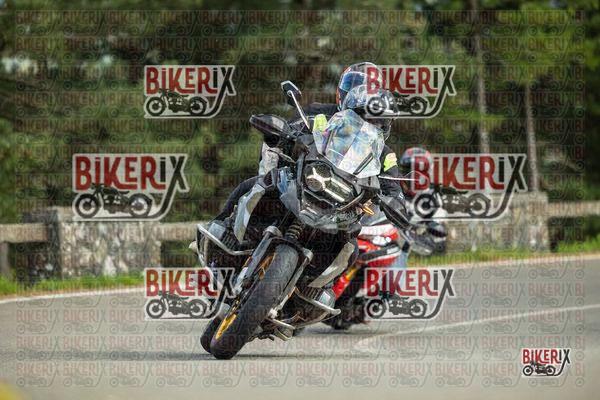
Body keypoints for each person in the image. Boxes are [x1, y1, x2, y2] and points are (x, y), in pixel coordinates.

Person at [215, 62, 404, 220]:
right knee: (257, 184)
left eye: (366, 89)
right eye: (353, 85)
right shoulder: (316, 112)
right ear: (342, 90)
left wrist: (396, 201)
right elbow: (287, 131)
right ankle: (220, 223)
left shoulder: (383, 150)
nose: (359, 93)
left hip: (341, 207)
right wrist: (289, 140)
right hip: (300, 182)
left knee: (352, 246)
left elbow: (393, 187)